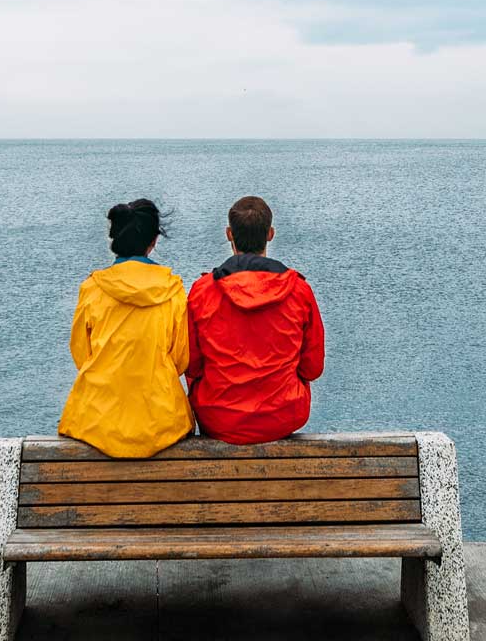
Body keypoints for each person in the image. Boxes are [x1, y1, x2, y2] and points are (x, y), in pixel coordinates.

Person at [56, 198, 193, 458]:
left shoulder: (92, 288)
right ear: (153, 242)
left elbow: (81, 354)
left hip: (95, 420)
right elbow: (180, 358)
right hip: (162, 420)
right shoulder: (172, 289)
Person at [185, 195, 325, 444]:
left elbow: (192, 366)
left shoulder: (202, 291)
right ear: (270, 234)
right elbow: (312, 368)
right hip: (283, 416)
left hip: (218, 418)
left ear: (229, 234)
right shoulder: (299, 290)